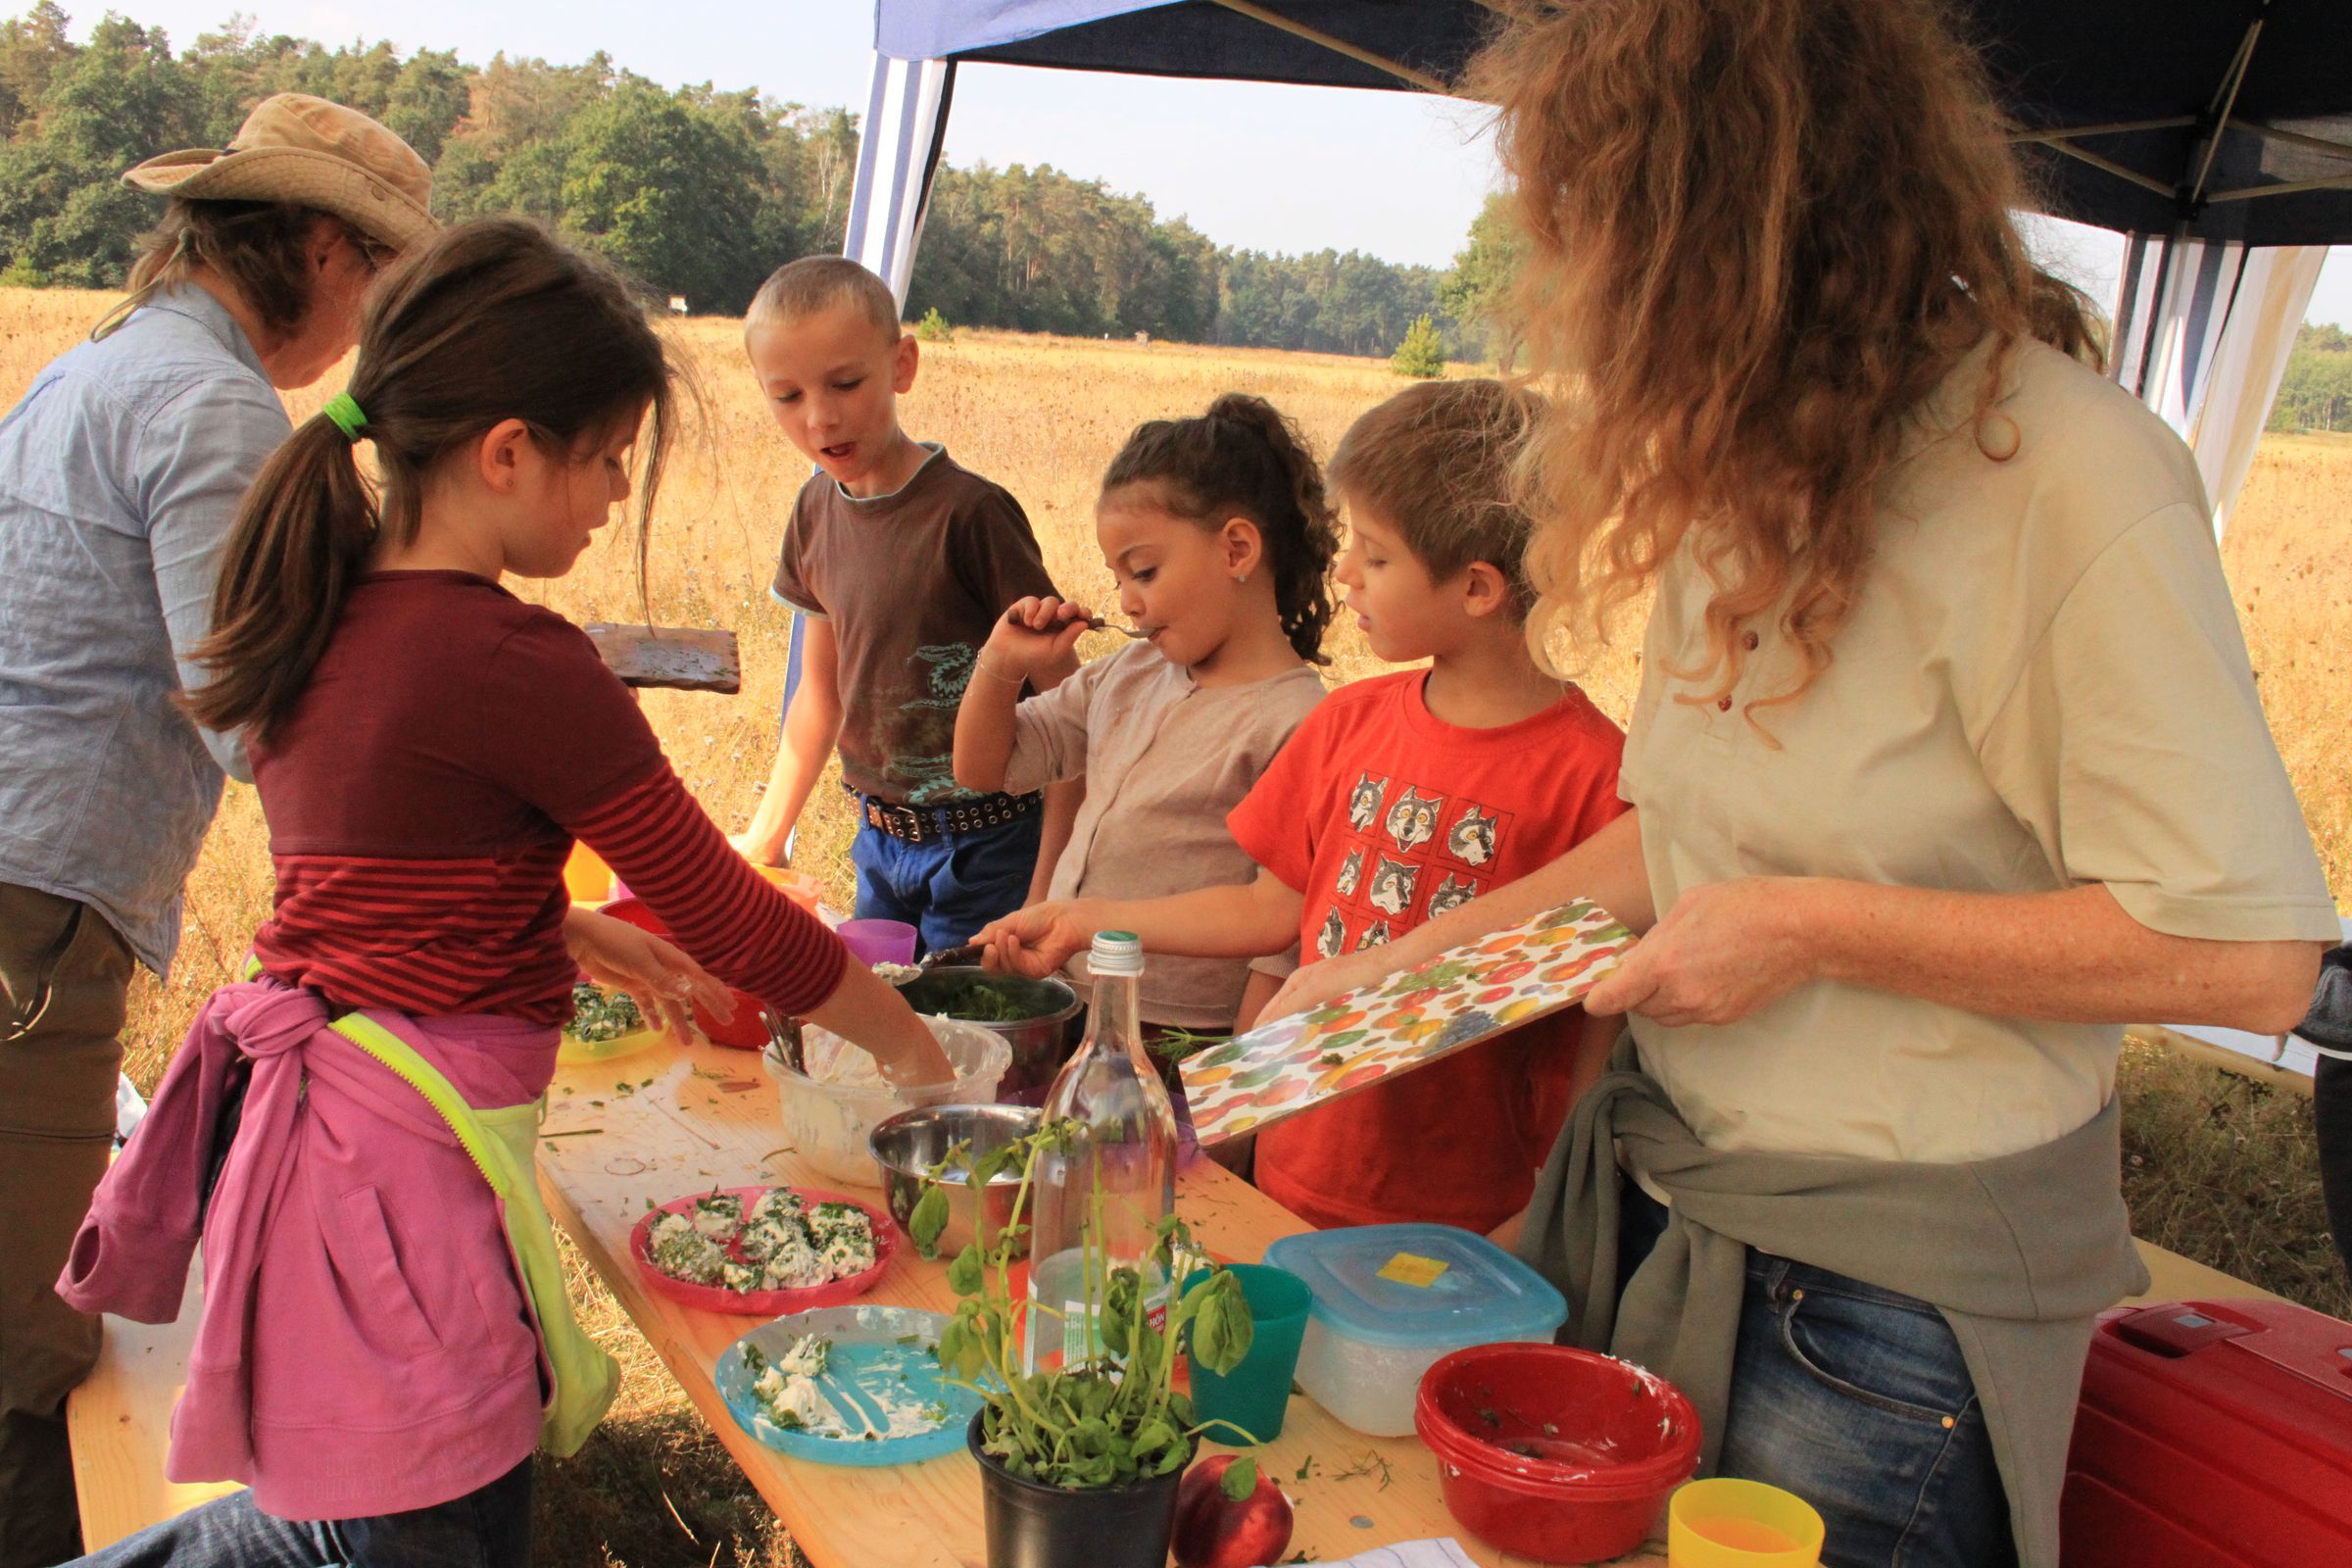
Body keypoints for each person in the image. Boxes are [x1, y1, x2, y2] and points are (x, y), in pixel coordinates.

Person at [1263, 5, 2339, 1566]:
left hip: (1887, 1310)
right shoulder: (1746, 465)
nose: (1582, 301)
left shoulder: (2074, 479)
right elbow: (1679, 844)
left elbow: (2247, 954)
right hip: (1675, 1211)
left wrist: (1806, 929)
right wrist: (1382, 971)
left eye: (1603, 243)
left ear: (1740, 227)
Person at [55, 219, 952, 1567]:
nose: (605, 499)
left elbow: (371, 875)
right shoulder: (514, 661)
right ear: (508, 452)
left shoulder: (326, 602)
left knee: (369, 1507)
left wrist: (554, 921)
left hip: (325, 1144)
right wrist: (917, 1049)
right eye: (602, 462)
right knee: (426, 1522)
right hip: (397, 1179)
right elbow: (722, 909)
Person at [0, 93, 434, 1568]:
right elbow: (250, 717)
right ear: (323, 247)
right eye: (380, 281)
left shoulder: (107, 362)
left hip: (30, 883)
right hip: (32, 913)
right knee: (24, 1355)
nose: (368, 328)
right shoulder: (211, 403)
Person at [976, 379, 1627, 1231]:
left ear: (1477, 588)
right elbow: (1267, 908)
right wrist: (1084, 919)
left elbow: (1597, 1026)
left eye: (1378, 555)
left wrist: (1546, 1212)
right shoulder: (1350, 725)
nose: (1344, 572)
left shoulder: (1599, 776)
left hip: (1461, 1216)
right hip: (1290, 1169)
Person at [952, 394, 1334, 1042]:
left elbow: (1281, 936)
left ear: (1236, 549)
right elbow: (983, 766)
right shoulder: (1126, 677)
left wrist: (1231, 1095)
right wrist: (999, 662)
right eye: (1118, 578)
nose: (1128, 604)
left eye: (1145, 572)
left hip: (1180, 1034)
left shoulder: (1296, 721)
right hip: (1070, 1001)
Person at [730, 257, 1077, 955]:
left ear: (903, 365)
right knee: (886, 1037)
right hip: (880, 844)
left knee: (969, 1041)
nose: (819, 417)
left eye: (846, 383)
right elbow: (819, 695)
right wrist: (766, 837)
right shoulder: (813, 511)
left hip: (991, 846)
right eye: (787, 396)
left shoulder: (972, 514)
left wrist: (1048, 891)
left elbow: (1069, 717)